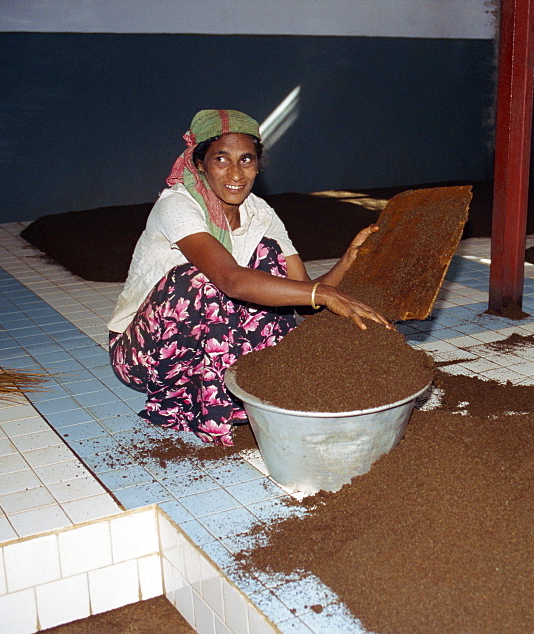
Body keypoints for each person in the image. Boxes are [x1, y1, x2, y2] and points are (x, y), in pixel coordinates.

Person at [108, 109, 389, 446]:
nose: (236, 173)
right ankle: (213, 410)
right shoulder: (177, 206)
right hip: (146, 355)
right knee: (200, 280)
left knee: (269, 254)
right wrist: (326, 295)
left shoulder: (260, 213)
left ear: (258, 165)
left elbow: (304, 297)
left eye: (246, 160)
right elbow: (231, 280)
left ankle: (261, 381)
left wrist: (348, 261)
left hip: (221, 347)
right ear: (200, 163)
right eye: (221, 159)